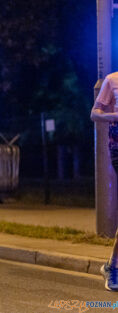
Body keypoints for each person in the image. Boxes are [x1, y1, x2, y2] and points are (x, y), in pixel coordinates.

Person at [91, 72, 118, 291]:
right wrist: (115, 116)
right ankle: (113, 267)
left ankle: (112, 265)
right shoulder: (112, 80)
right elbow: (95, 113)